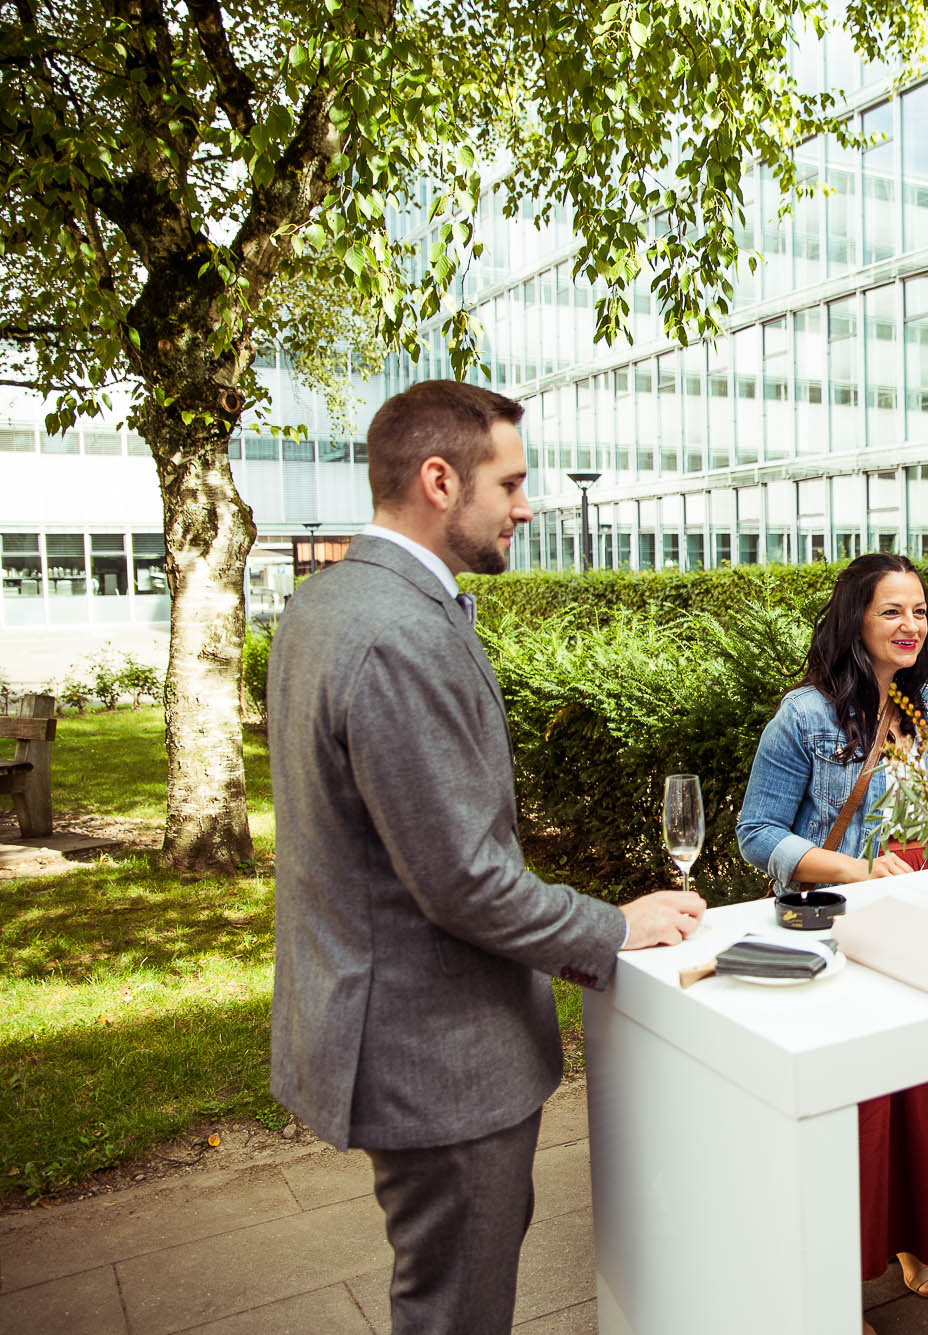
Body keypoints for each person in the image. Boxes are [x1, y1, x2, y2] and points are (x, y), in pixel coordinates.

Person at [267, 380, 706, 1334]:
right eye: (509, 482)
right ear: (438, 480)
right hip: (440, 1058)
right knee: (457, 1307)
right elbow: (462, 879)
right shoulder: (397, 632)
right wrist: (614, 926)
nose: (527, 502)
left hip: (400, 1036)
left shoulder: (329, 601)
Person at [736, 553, 928, 1315]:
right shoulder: (805, 715)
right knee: (854, 1109)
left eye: (919, 612)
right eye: (892, 611)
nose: (911, 625)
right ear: (856, 619)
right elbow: (757, 833)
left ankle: (909, 1235)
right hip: (833, 931)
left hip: (916, 931)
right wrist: (852, 868)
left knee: (918, 1087)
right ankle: (834, 1278)